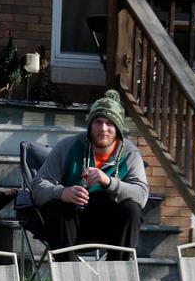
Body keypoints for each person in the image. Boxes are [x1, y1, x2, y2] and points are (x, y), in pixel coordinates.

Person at [30, 89, 148, 258]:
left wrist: (109, 181)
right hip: (72, 224)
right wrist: (62, 192)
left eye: (110, 123)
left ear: (118, 128)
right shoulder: (67, 147)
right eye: (98, 122)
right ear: (90, 125)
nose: (103, 129)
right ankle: (68, 277)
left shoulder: (130, 153)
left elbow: (141, 194)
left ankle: (118, 275)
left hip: (111, 227)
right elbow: (38, 186)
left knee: (131, 209)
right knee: (57, 207)